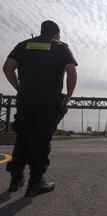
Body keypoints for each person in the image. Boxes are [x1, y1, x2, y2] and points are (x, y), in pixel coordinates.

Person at [2, 20, 77, 197]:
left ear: (41, 31)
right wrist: (67, 97)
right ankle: (36, 183)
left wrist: (19, 88)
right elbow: (72, 72)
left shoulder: (23, 45)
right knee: (41, 140)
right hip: (48, 102)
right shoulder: (60, 47)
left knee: (23, 137)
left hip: (25, 101)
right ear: (56, 33)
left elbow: (7, 68)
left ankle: (16, 179)